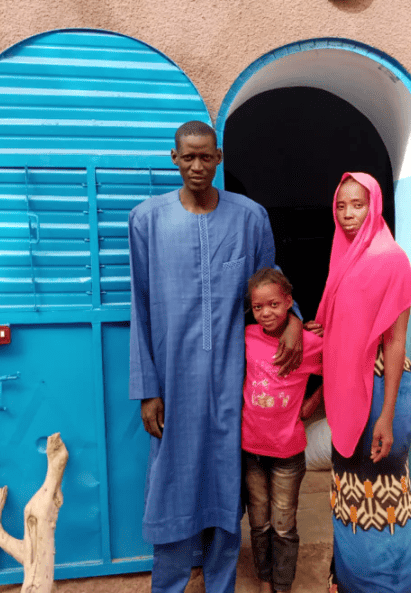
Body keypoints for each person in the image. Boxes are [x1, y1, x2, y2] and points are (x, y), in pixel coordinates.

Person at [128, 120, 303, 593]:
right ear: (174, 158)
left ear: (219, 158)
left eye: (206, 157)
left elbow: (270, 282)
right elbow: (139, 306)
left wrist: (293, 320)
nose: (197, 166)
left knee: (226, 482)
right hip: (174, 381)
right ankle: (170, 582)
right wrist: (147, 389)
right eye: (188, 157)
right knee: (172, 481)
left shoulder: (249, 218)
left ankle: (220, 582)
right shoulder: (147, 220)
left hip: (232, 380)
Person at [304, 172, 411, 593]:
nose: (348, 214)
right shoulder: (344, 258)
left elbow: (394, 342)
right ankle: (349, 581)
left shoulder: (390, 259)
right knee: (349, 492)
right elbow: (345, 328)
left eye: (358, 204)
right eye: (341, 205)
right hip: (348, 390)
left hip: (381, 391)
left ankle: (387, 584)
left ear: (375, 206)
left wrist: (386, 416)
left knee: (382, 496)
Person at [242, 268, 324, 593]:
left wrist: (313, 401)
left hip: (287, 453)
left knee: (283, 525)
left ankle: (283, 585)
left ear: (289, 302)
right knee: (259, 524)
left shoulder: (308, 343)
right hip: (251, 450)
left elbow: (338, 367)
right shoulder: (246, 337)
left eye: (274, 304)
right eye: (258, 307)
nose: (266, 313)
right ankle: (265, 582)